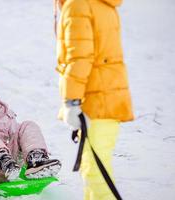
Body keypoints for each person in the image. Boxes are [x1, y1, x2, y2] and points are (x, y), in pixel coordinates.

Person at [54, 0, 134, 199]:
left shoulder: (78, 5)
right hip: (107, 96)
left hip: (96, 101)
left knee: (96, 173)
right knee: (92, 168)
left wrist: (72, 101)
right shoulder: (100, 4)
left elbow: (79, 57)